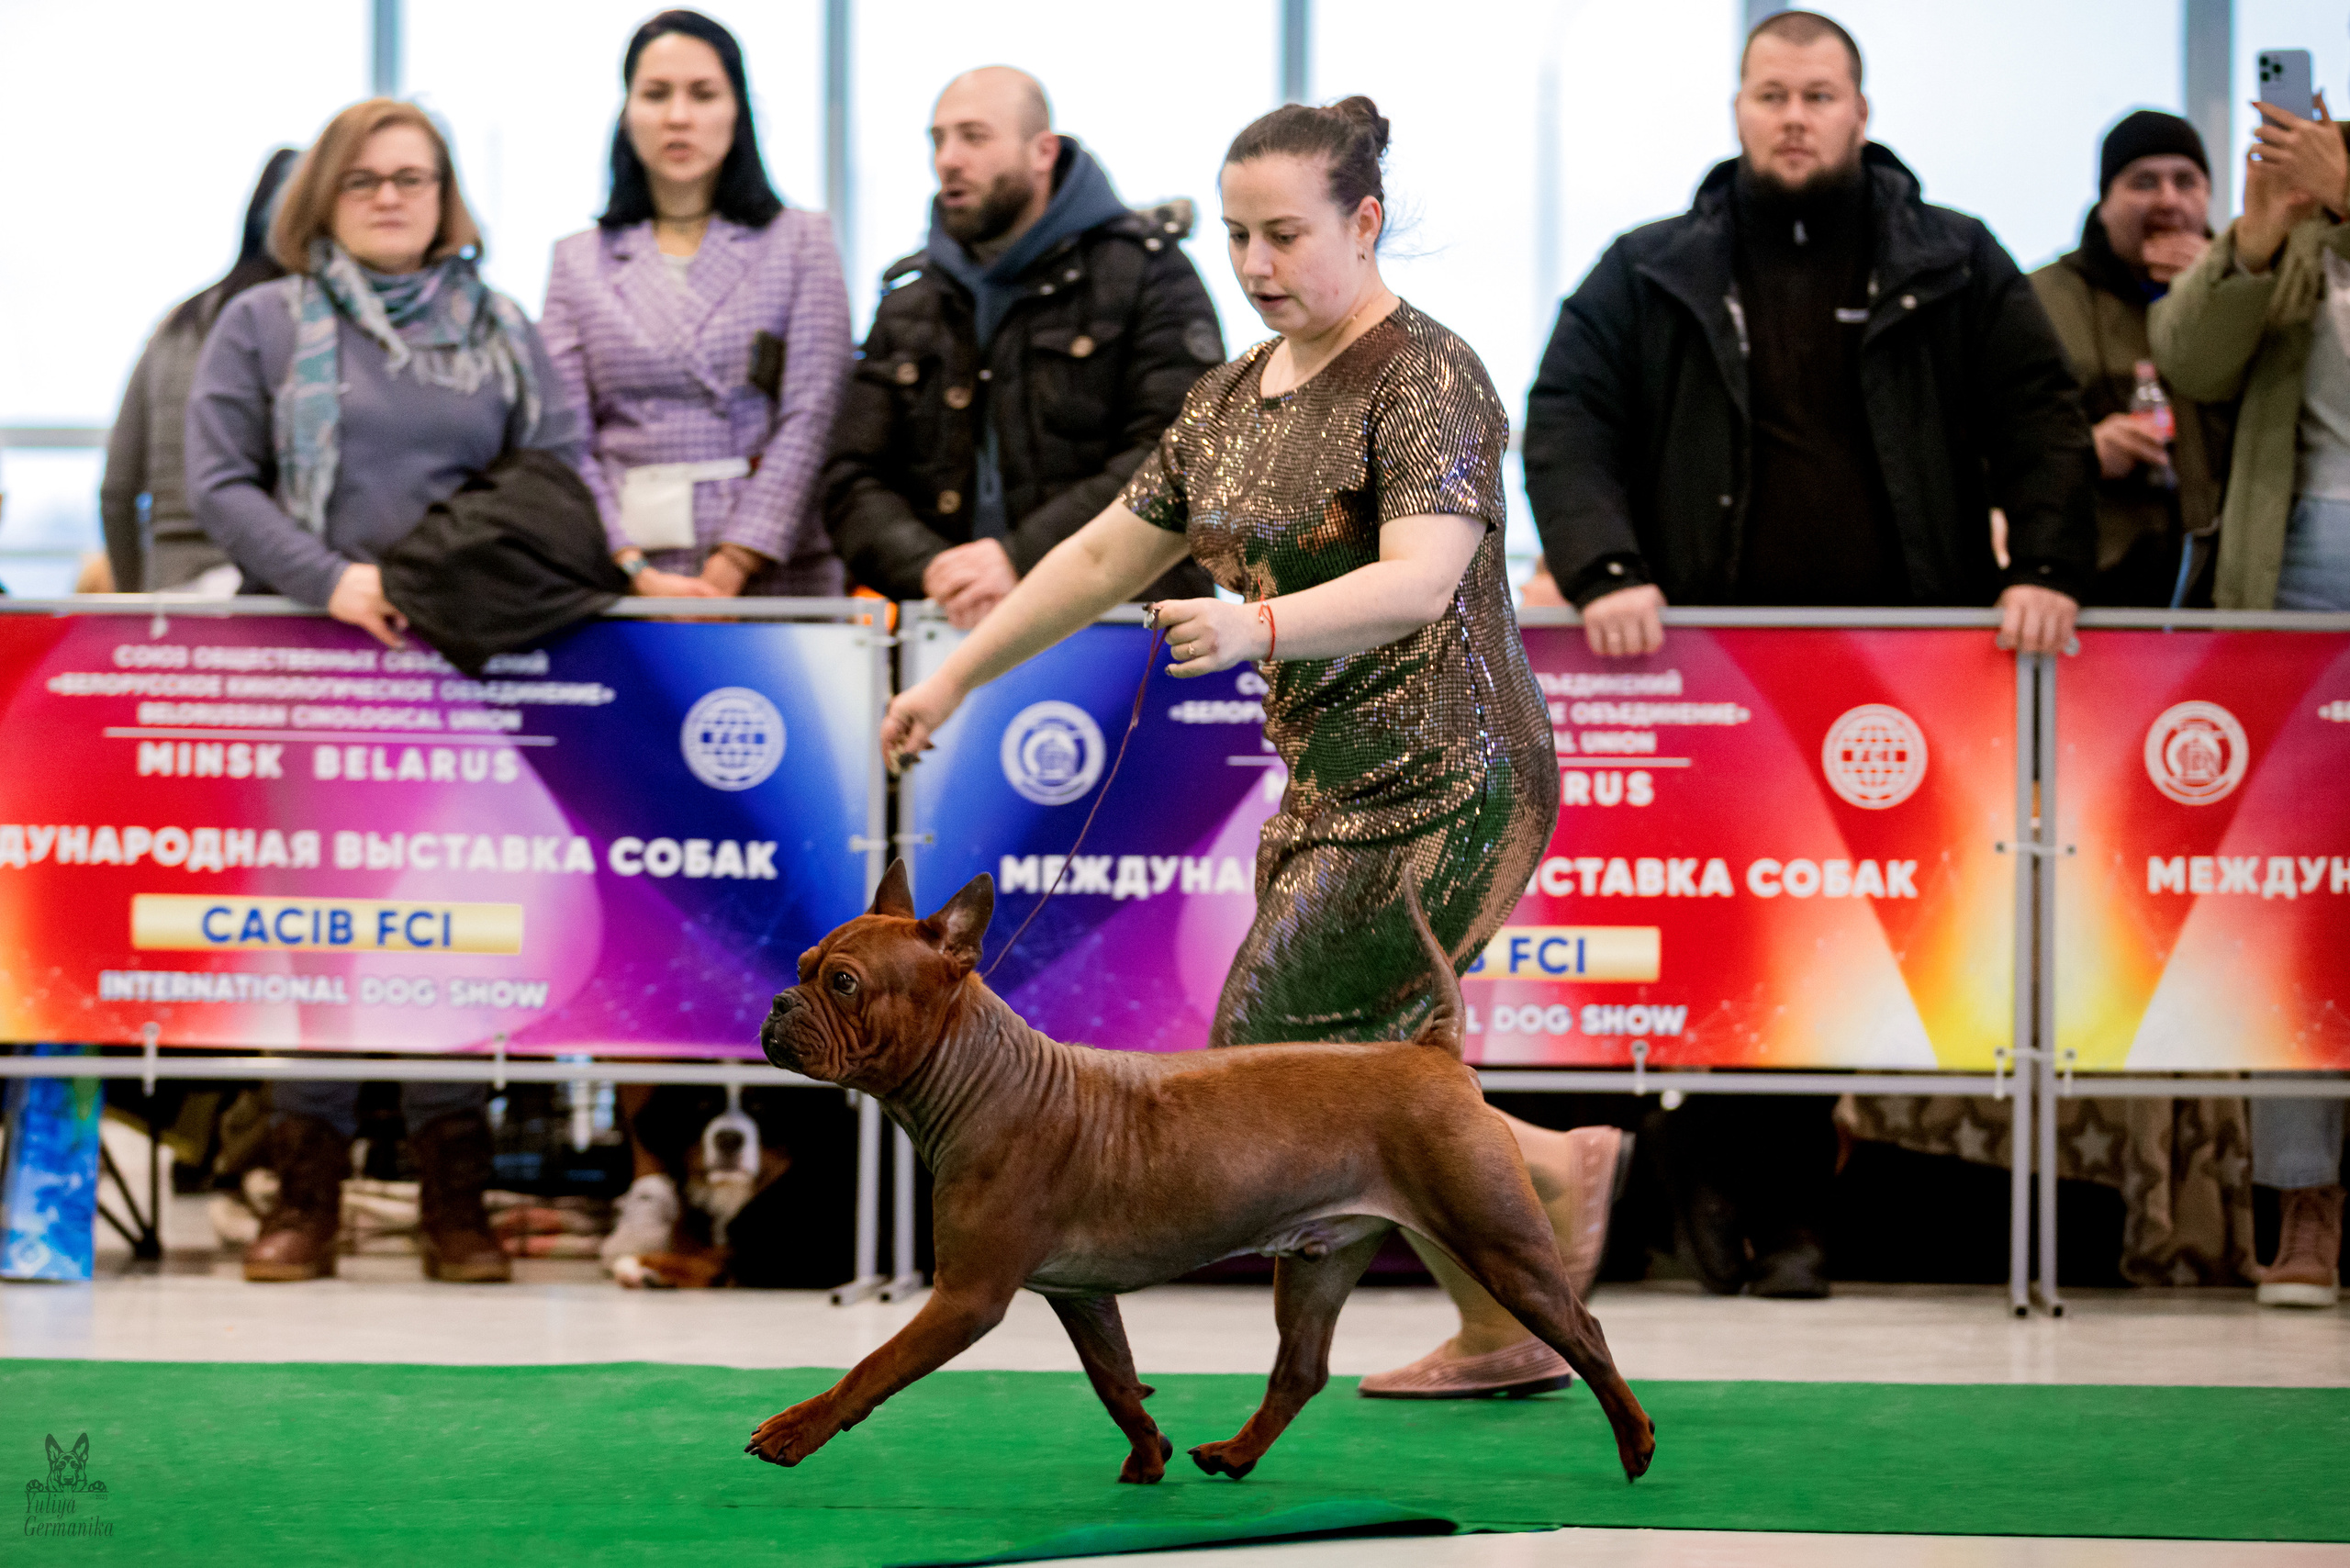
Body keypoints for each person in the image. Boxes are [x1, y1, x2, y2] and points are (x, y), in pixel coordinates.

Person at [882, 95, 1626, 1401]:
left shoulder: (1430, 374)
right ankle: (1514, 1294)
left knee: (1265, 1067)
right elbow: (1107, 554)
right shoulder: (1226, 400)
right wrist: (951, 679)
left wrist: (1255, 625)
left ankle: (1553, 1178)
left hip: (1454, 778)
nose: (1259, 265)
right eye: (1238, 238)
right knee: (1357, 1080)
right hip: (1330, 786)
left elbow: (1419, 581)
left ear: (1368, 220)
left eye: (1288, 234)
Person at [1522, 11, 2096, 1298]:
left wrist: (2047, 565)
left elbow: (2042, 418)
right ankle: (1763, 1209)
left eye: (1818, 95)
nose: (1794, 115)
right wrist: (1607, 566)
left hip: (1900, 679)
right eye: (1771, 93)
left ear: (1861, 111)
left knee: (1843, 945)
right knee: (1729, 938)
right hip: (1700, 679)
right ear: (1737, 109)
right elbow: (1564, 419)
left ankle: (1736, 1186)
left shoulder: (1956, 257)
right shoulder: (1649, 266)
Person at [187, 98, 588, 1282]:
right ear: (323, 195)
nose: (391, 197)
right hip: (312, 658)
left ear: (445, 195)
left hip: (464, 667)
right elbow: (217, 483)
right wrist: (337, 580)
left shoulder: (501, 325)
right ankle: (300, 1199)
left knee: (450, 924)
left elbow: (554, 475)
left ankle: (452, 1203)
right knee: (323, 928)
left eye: (413, 177)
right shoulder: (262, 321)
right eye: (364, 179)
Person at [2150, 91, 2350, 1306]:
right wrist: (2265, 229)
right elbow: (2190, 358)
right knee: (2295, 898)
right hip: (2297, 575)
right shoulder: (2297, 224)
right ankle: (2304, 1200)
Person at [822, 66, 1222, 628]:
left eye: (974, 136)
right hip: (946, 634)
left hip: (1124, 634)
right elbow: (849, 477)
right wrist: (934, 569)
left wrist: (1018, 559)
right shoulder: (910, 299)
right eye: (938, 140)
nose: (948, 159)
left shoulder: (1148, 274)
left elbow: (1181, 455)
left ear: (1043, 152)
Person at [543, 9, 851, 599]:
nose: (678, 116)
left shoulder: (802, 241)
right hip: (629, 576)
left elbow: (815, 414)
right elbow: (566, 436)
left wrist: (735, 561)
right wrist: (630, 567)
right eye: (655, 94)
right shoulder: (576, 261)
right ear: (626, 111)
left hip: (776, 568)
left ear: (738, 109)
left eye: (703, 94)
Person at [2031, 110, 2231, 607]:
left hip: (2218, 584)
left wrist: (2218, 286)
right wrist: (2086, 450)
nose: (2168, 200)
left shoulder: (2245, 296)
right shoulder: (2042, 298)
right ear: (2104, 203)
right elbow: (1996, 434)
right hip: (2090, 580)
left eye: (2186, 182)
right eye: (2144, 182)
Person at [100, 149, 297, 595]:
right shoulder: (304, 328)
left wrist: (136, 597)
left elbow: (116, 489)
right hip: (276, 590)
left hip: (172, 582)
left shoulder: (178, 323)